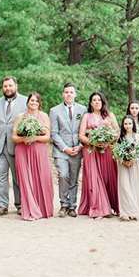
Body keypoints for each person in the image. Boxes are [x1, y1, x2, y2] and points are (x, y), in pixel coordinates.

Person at [12, 93, 54, 220]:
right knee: (25, 180)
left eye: (36, 101)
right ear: (27, 102)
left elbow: (47, 137)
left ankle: (42, 208)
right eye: (31, 100)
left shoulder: (44, 116)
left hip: (39, 151)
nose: (33, 102)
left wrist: (34, 137)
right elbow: (14, 137)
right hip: (22, 151)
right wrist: (24, 139)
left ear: (39, 103)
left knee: (42, 178)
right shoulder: (20, 117)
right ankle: (29, 209)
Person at [78, 92, 119, 218]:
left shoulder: (109, 116)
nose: (97, 102)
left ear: (103, 102)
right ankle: (98, 207)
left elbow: (117, 133)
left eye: (99, 100)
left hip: (107, 151)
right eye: (94, 100)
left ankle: (110, 205)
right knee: (94, 178)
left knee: (108, 178)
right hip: (91, 151)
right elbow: (81, 135)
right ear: (90, 103)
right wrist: (93, 142)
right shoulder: (86, 116)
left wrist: (107, 141)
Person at [49, 83, 87, 217]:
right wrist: (65, 148)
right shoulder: (54, 111)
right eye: (66, 92)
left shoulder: (83, 110)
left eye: (71, 92)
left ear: (75, 94)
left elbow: (86, 130)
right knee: (63, 175)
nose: (69, 94)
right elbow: (54, 133)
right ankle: (63, 204)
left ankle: (72, 206)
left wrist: (81, 146)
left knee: (74, 178)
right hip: (61, 150)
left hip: (77, 148)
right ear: (62, 94)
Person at [0, 76, 27, 216]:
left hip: (17, 146)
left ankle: (20, 204)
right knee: (1, 176)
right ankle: (2, 205)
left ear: (16, 86)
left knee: (17, 176)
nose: (8, 88)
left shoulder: (25, 101)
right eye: (5, 86)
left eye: (10, 85)